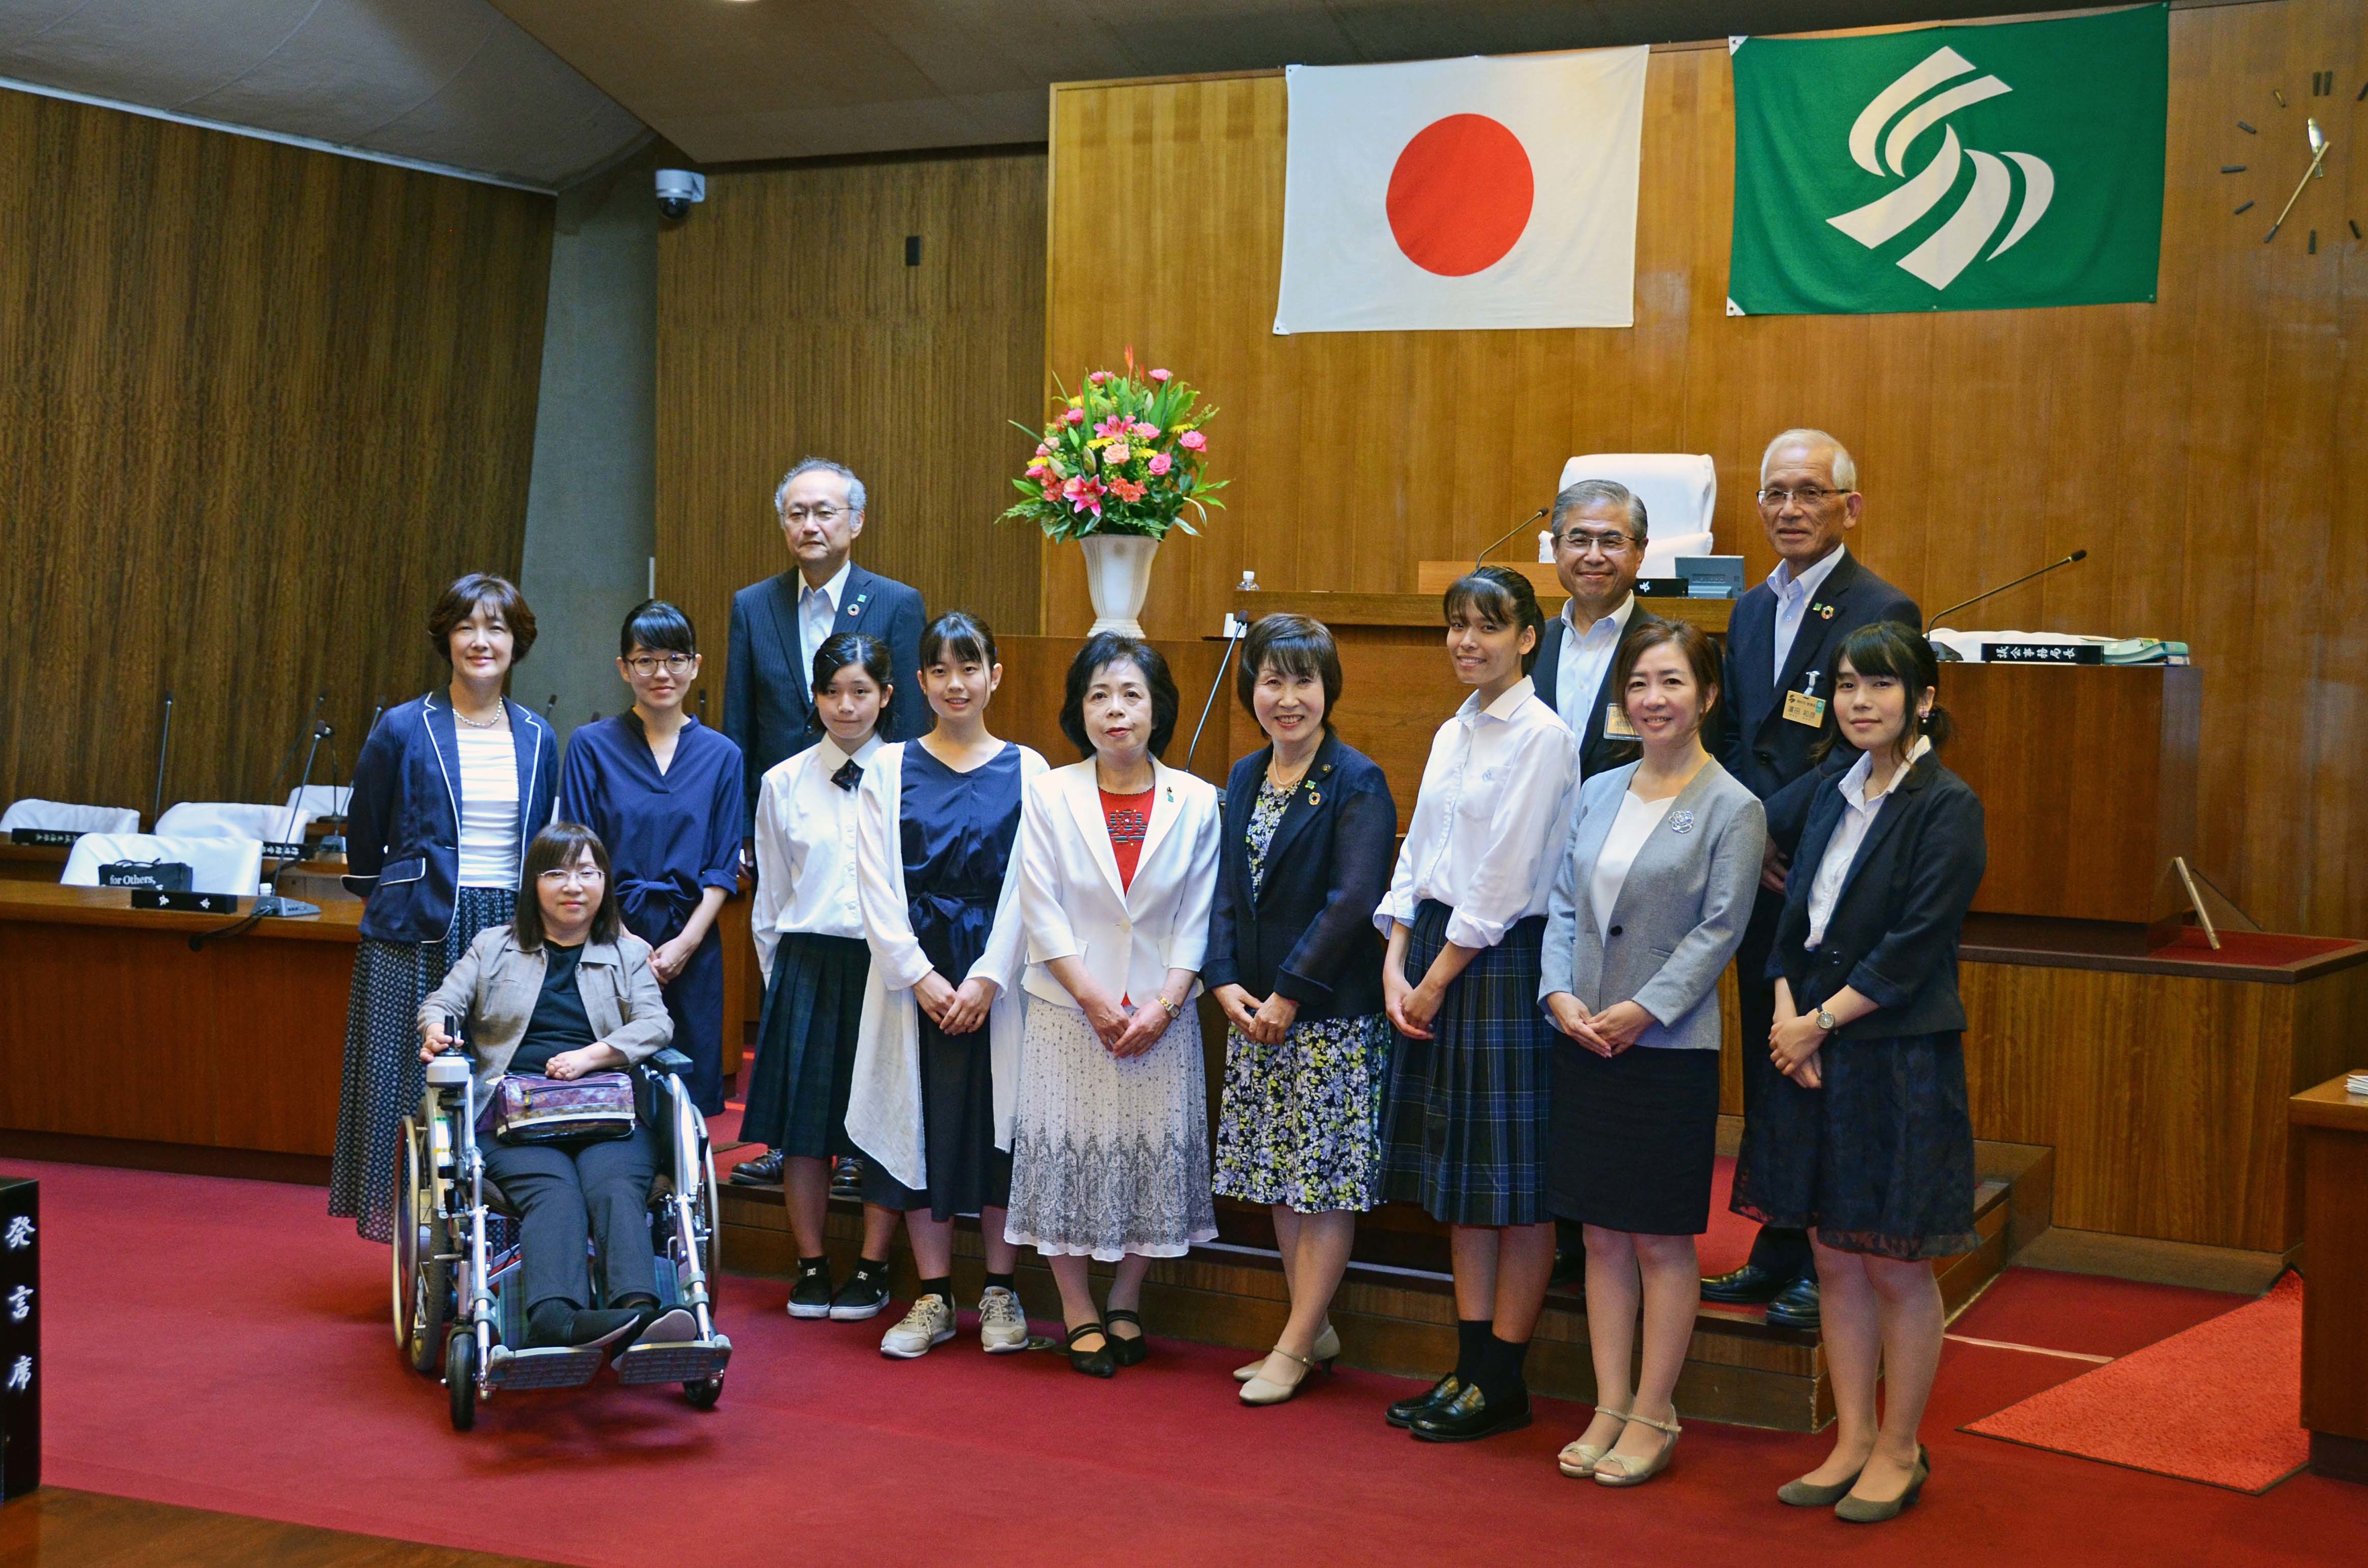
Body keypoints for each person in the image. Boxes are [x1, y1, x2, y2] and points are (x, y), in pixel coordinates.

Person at [1731, 622, 1985, 1524]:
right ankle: (1846, 1437)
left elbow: (1912, 948)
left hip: (1892, 1055)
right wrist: (1781, 1016)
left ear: (1921, 698)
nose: (1858, 701)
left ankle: (1898, 1445)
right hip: (1808, 1045)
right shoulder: (1830, 791)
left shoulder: (1943, 803)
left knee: (1891, 1262)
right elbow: (1791, 916)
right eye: (1845, 686)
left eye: (1879, 686)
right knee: (1833, 1256)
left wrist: (1813, 1025)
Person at [1540, 620, 1764, 1487]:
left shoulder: (1730, 805)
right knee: (1599, 1234)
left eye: (1670, 681)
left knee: (1661, 1240)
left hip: (1665, 1046)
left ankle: (1653, 1407)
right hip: (1581, 1035)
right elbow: (1562, 900)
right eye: (1637, 683)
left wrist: (1644, 1007)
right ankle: (1607, 1399)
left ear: (1705, 694)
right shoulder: (1597, 788)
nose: (1651, 699)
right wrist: (1557, 994)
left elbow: (1720, 930)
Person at [1707, 429, 1921, 1331]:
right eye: (1773, 493)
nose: (1787, 508)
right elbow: (1729, 734)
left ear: (1849, 506)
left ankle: (1825, 1254)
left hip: (1822, 858)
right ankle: (1775, 1239)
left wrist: (1766, 823)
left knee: (1819, 1061)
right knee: (1766, 1054)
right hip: (1758, 871)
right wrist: (1741, 832)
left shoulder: (1881, 604)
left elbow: (1856, 738)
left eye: (1807, 491)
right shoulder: (1749, 607)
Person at [1375, 566, 1578, 1442]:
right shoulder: (1452, 729)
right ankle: (1465, 1366)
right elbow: (1418, 851)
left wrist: (1431, 975)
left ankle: (1503, 1375)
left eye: (1486, 625)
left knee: (1515, 1182)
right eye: (1455, 624)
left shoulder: (1541, 735)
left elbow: (1500, 880)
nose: (1467, 640)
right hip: (1430, 950)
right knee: (1459, 1179)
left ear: (1526, 636)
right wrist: (1392, 951)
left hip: (1491, 965)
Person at [1005, 634, 1221, 1378]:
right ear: (1079, 709)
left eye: (1130, 693)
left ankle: (1127, 1296)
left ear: (1157, 706)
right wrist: (1096, 999)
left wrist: (1162, 1003)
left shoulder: (1196, 799)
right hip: (1071, 1011)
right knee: (1066, 1155)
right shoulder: (1050, 792)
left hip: (1162, 1013)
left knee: (1145, 1159)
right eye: (1098, 695)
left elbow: (1200, 916)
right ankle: (1076, 1307)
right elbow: (1041, 909)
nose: (1115, 710)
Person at [843, 612, 1049, 1360]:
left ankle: (1000, 1286)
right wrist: (924, 976)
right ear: (921, 682)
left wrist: (989, 976)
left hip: (1000, 978)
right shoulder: (887, 770)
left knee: (1000, 1132)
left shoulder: (1032, 770)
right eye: (941, 669)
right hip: (913, 982)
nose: (956, 683)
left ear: (996, 674)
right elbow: (873, 887)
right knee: (918, 1126)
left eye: (971, 667)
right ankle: (932, 1291)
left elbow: (1033, 887)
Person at [331, 574, 559, 1244]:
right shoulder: (403, 726)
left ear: (517, 642)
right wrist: (390, 892)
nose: (482, 641)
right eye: (467, 626)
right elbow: (365, 830)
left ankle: (495, 1236)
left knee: (502, 1078)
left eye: (497, 628)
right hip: (418, 927)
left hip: (509, 927)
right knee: (409, 1084)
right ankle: (418, 1242)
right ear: (447, 638)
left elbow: (545, 835)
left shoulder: (540, 734)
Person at [1205, 615, 1397, 1407]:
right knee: (1280, 1180)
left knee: (1320, 1183)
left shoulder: (1357, 779)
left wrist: (1287, 992)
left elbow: (1353, 900)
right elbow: (1220, 894)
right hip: (1254, 1013)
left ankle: (1295, 1338)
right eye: (1272, 681)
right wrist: (1224, 984)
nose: (1288, 699)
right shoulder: (1246, 775)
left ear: (1329, 689)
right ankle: (1308, 1326)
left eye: (1303, 681)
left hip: (1328, 1015)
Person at [725, 458, 926, 1193]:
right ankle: (794, 1137)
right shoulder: (754, 605)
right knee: (791, 986)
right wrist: (741, 828)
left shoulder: (897, 603)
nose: (811, 525)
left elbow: (912, 721)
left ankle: (859, 1143)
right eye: (797, 513)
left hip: (873, 810)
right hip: (789, 816)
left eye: (826, 513)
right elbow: (740, 722)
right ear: (784, 523)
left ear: (856, 522)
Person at [418, 823, 690, 1352]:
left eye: (587, 872)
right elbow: (441, 1004)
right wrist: (436, 1030)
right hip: (513, 1117)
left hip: (606, 1112)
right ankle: (554, 1318)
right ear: (533, 885)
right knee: (555, 1192)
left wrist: (592, 1056)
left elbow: (656, 1025)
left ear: (604, 883)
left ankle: (637, 1313)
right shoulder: (492, 947)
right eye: (556, 873)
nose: (573, 886)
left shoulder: (627, 953)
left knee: (614, 1187)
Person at [739, 633, 903, 1323]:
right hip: (806, 962)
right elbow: (770, 899)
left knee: (884, 1125)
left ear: (887, 696)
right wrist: (781, 985)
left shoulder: (907, 774)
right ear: (815, 696)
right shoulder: (782, 781)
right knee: (805, 1131)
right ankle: (809, 1262)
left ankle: (872, 1265)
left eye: (860, 690)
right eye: (832, 691)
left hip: (883, 964)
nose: (846, 704)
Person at [558, 601, 743, 1117]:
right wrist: (622, 938)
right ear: (623, 667)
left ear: (695, 665)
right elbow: (577, 855)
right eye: (645, 660)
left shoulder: (722, 754)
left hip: (692, 942)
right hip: (606, 937)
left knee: (687, 1102)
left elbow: (721, 866)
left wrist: (684, 943)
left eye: (675, 659)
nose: (662, 673)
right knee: (611, 1094)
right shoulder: (590, 747)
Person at [1530, 479, 1664, 778]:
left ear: (1641, 551)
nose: (1593, 556)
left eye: (1611, 541)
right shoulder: (1528, 645)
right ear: (1555, 548)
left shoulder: (1672, 651)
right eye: (1578, 541)